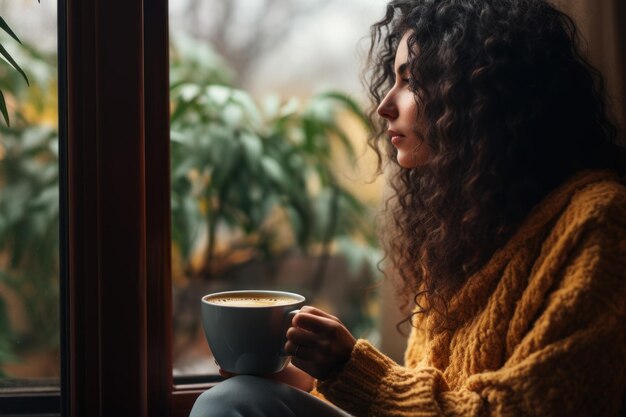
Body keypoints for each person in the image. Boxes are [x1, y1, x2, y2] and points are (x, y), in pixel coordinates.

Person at [191, 0, 626, 415]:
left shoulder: (599, 220)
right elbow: (428, 394)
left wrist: (350, 368)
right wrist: (304, 379)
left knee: (226, 405)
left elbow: (521, 409)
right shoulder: (473, 229)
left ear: (483, 95)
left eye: (411, 80)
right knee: (242, 395)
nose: (384, 105)